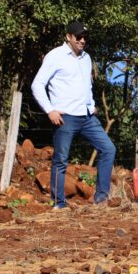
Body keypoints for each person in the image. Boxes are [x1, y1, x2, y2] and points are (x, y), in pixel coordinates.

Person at [31, 21, 116, 209]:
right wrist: (49, 110)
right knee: (61, 159)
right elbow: (37, 85)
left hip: (87, 117)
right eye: (79, 36)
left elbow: (87, 85)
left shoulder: (86, 58)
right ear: (68, 37)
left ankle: (101, 199)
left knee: (108, 149)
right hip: (65, 117)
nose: (83, 40)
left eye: (85, 37)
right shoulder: (55, 56)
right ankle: (58, 204)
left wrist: (91, 105)